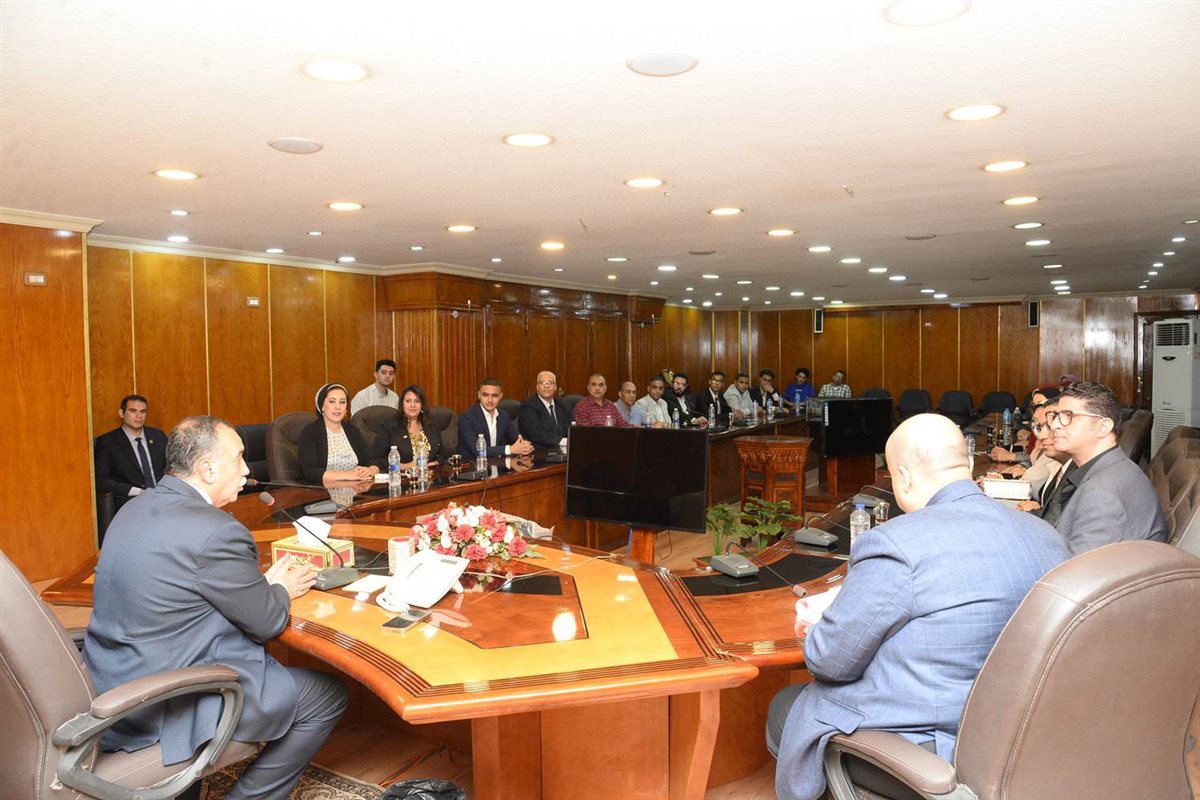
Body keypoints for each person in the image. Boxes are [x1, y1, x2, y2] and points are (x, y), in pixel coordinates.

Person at [767, 414, 1069, 800]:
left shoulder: (895, 543)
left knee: (785, 708)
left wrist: (819, 625)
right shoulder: (1045, 535)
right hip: (1023, 734)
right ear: (965, 462)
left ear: (904, 477)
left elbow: (829, 662)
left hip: (937, 747)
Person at [83, 416, 348, 800]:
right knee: (326, 695)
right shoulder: (217, 530)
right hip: (169, 702)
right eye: (238, 458)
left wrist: (258, 586)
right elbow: (268, 622)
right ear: (207, 469)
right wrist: (279, 589)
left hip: (111, 680)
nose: (247, 470)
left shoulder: (133, 509)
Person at [1040, 381, 1166, 552]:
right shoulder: (1106, 467)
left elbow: (1078, 566)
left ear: (1103, 427)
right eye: (1055, 416)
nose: (1054, 425)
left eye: (1068, 416)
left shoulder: (1103, 492)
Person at [94, 393, 166, 516]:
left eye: (143, 411)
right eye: (133, 411)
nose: (139, 416)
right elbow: (101, 480)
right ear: (121, 413)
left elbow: (173, 468)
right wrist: (136, 491)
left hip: (162, 498)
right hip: (131, 501)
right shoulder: (107, 442)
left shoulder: (158, 436)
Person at [298, 383, 380, 484]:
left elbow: (372, 460)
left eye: (342, 402)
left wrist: (370, 471)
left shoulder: (352, 431)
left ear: (346, 408)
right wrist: (349, 476)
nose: (338, 407)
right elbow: (310, 472)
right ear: (322, 406)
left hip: (357, 488)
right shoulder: (309, 433)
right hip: (322, 491)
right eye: (332, 401)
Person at [457, 378, 535, 459]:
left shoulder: (503, 415)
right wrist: (509, 449)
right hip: (473, 464)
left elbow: (517, 439)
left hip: (498, 463)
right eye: (485, 395)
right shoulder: (466, 418)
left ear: (501, 396)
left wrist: (525, 446)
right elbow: (478, 451)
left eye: (494, 396)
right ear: (479, 395)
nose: (490, 400)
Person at [370, 384, 443, 469]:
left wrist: (435, 463)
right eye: (408, 401)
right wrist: (406, 466)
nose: (412, 405)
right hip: (400, 475)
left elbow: (442, 453)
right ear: (402, 404)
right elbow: (377, 458)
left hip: (429, 474)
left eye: (417, 401)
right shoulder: (389, 425)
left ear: (422, 405)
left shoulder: (431, 423)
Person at [517, 370, 571, 449]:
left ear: (555, 387)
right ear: (537, 387)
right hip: (540, 450)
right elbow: (535, 433)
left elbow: (569, 427)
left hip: (563, 449)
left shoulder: (563, 405)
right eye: (542, 383)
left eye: (550, 383)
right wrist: (562, 441)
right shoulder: (528, 406)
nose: (546, 386)